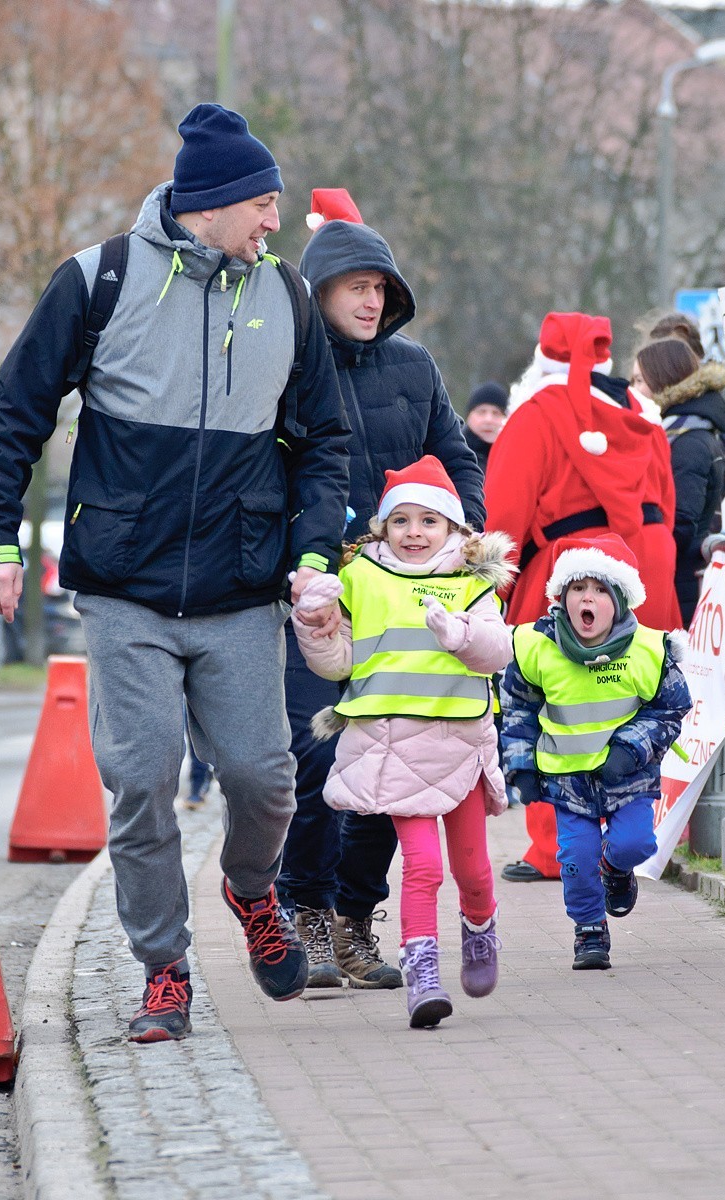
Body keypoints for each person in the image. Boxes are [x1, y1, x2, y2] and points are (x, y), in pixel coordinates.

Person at [0, 104, 351, 1042]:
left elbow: (325, 441)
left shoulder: (289, 297)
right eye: (262, 203)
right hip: (124, 590)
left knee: (264, 776)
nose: (273, 221)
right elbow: (13, 413)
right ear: (209, 205)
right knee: (141, 781)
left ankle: (251, 893)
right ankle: (164, 969)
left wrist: (308, 554)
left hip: (240, 590)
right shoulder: (99, 279)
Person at [277, 190, 485, 990]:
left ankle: (355, 919)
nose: (371, 301)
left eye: (381, 289)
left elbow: (455, 459)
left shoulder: (416, 367)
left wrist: (466, 542)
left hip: (411, 604)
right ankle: (304, 910)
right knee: (316, 755)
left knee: (399, 769)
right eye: (355, 286)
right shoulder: (291, 367)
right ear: (320, 287)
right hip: (324, 599)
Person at [292, 456, 514, 1025]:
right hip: (390, 747)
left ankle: (480, 928)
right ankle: (423, 978)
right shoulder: (360, 578)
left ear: (455, 530)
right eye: (402, 521)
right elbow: (337, 661)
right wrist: (313, 626)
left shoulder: (473, 582)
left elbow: (498, 650)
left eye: (429, 521)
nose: (414, 533)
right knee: (422, 867)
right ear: (382, 528)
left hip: (460, 746)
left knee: (472, 871)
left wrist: (458, 633)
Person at [484, 311, 682, 884]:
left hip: (566, 577)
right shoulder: (641, 415)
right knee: (637, 701)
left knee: (558, 708)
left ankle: (555, 850)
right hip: (643, 574)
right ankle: (632, 834)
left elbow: (505, 517)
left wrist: (496, 592)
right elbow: (667, 508)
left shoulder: (536, 416)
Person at [501, 533, 691, 968]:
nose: (588, 599)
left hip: (627, 774)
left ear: (621, 600)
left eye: (600, 589)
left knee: (635, 844)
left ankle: (617, 869)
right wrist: (521, 766)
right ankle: (589, 931)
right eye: (578, 588)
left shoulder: (648, 649)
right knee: (576, 858)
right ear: (562, 596)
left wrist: (631, 747)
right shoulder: (538, 646)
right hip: (566, 777)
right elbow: (517, 710)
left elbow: (670, 708)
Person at [633, 338, 725, 626]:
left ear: (663, 380)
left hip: (681, 585)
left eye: (640, 380)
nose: (634, 388)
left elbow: (680, 523)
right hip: (680, 579)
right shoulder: (686, 431)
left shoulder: (687, 441)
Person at [463, 381, 508, 475]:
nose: (488, 420)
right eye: (481, 412)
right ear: (468, 416)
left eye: (496, 413)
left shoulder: (514, 457)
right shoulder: (453, 455)